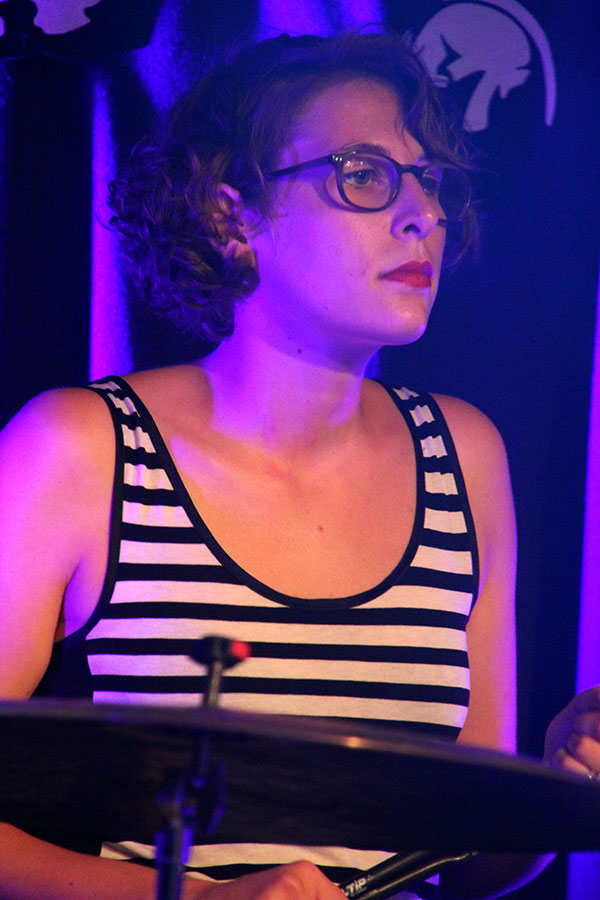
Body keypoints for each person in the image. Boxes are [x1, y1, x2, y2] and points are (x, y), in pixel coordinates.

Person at [1, 30, 600, 900]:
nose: (423, 215)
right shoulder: (81, 449)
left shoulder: (463, 456)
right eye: (364, 175)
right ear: (232, 215)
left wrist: (563, 785)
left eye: (430, 182)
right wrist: (203, 898)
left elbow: (466, 862)